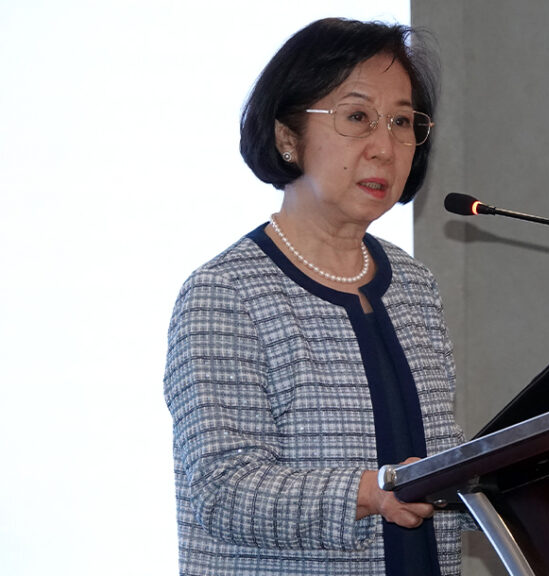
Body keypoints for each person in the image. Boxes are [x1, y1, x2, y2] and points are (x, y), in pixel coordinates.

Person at [163, 18, 465, 576]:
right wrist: (369, 492)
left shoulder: (413, 284)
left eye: (402, 121)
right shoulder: (225, 292)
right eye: (357, 118)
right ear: (287, 138)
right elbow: (221, 489)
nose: (384, 147)